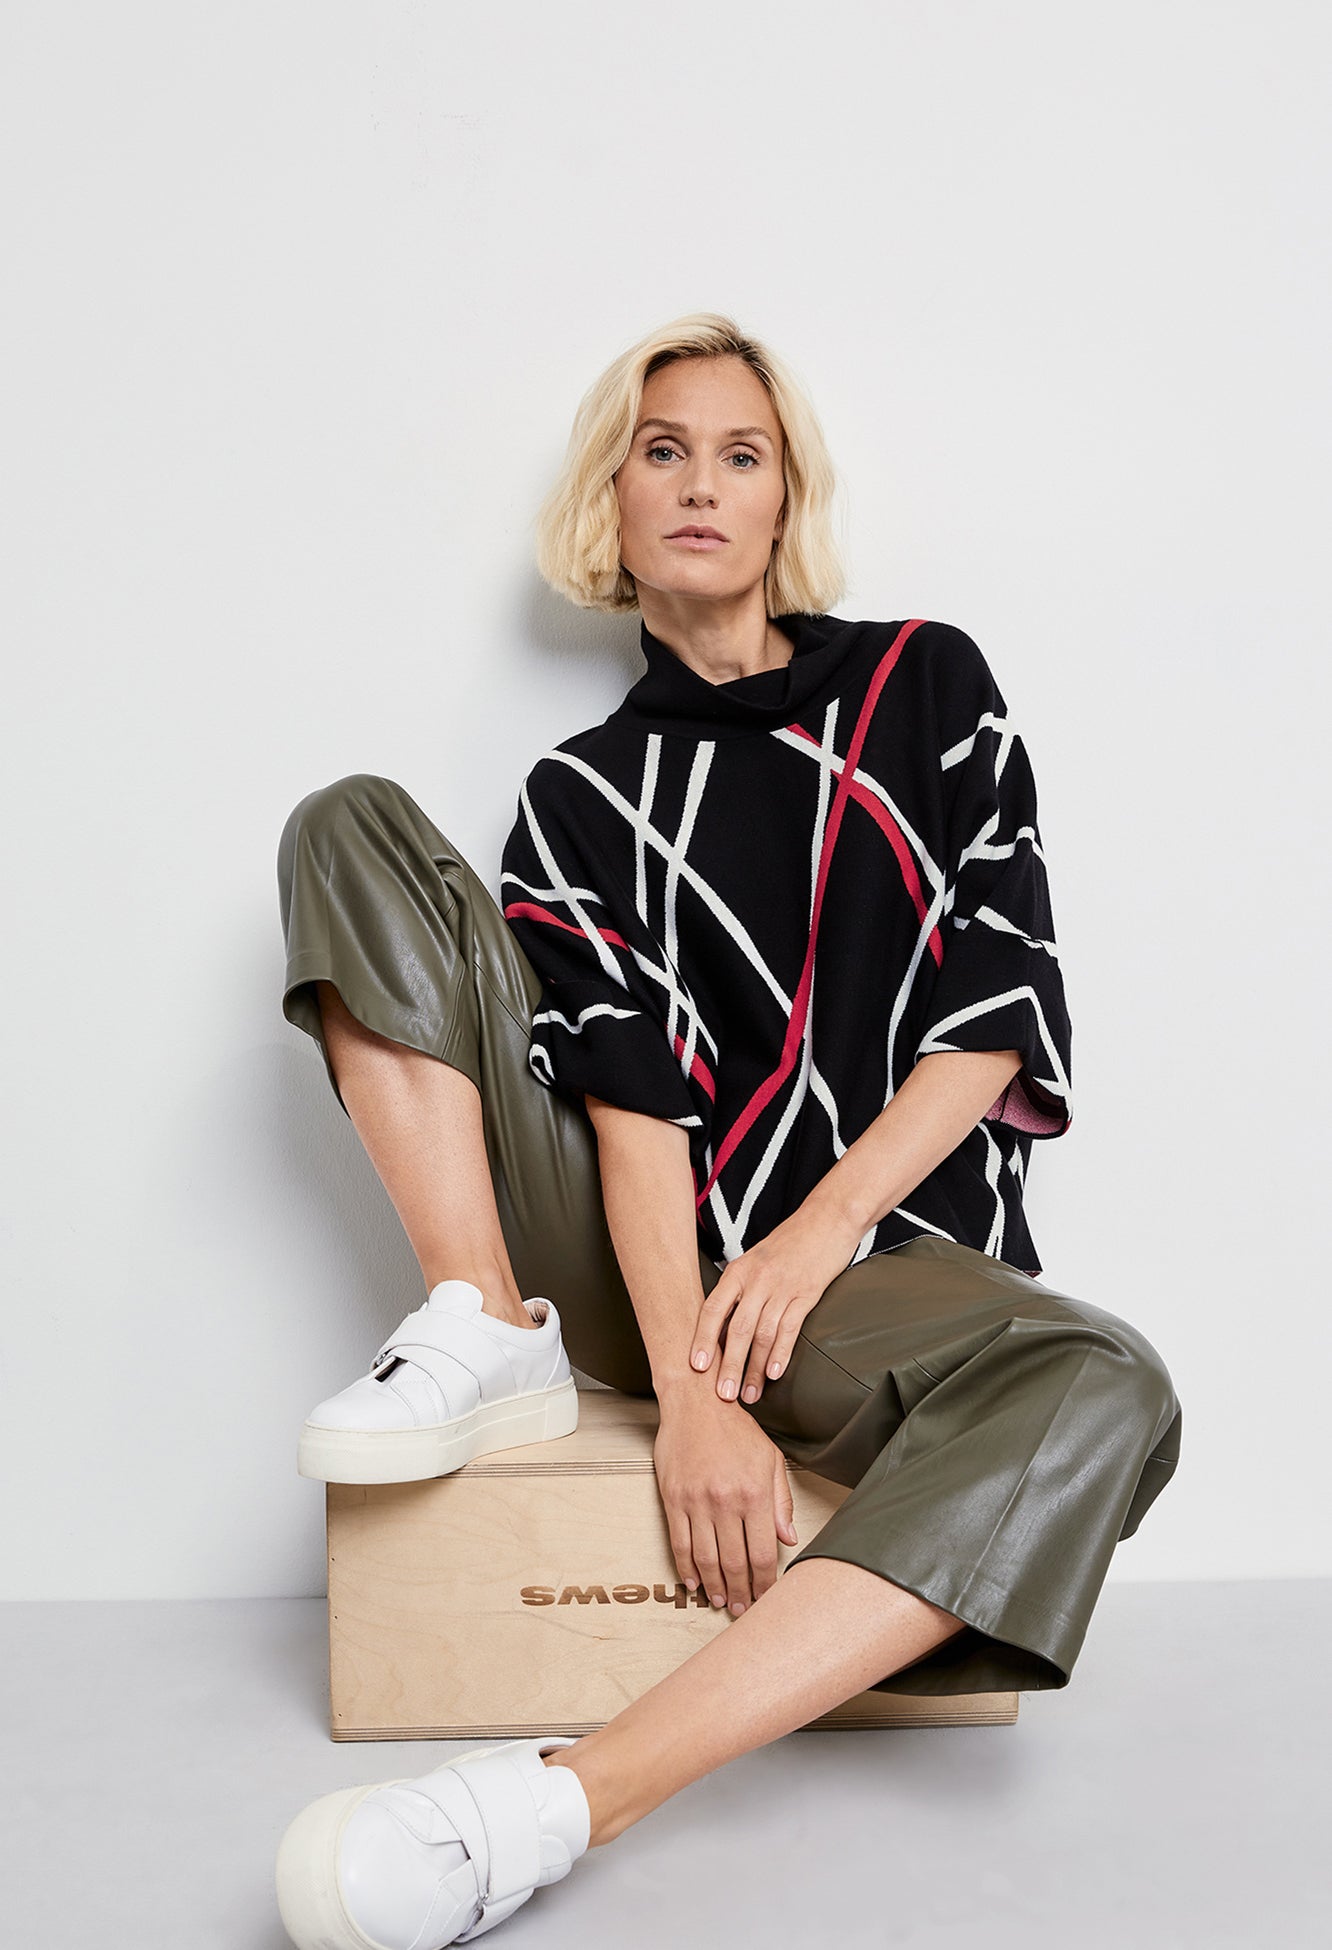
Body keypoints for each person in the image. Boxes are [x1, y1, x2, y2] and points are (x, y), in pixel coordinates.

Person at [271, 313, 1182, 1950]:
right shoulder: (578, 797)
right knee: (350, 827)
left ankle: (563, 1798)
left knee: (1108, 1378)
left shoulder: (926, 685)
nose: (701, 482)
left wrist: (817, 1233)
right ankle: (483, 1315)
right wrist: (691, 1391)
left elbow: (992, 1018)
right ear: (612, 502)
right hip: (644, 1260)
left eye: (740, 454)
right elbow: (637, 1107)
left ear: (784, 501)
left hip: (870, 1264)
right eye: (664, 450)